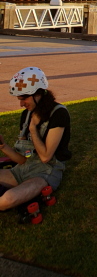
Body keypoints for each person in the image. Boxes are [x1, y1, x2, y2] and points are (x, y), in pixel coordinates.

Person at [0, 67, 71, 211]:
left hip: (45, 173)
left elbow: (45, 157)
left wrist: (33, 128)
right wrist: (3, 146)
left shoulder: (59, 114)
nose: (21, 104)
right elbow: (25, 158)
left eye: (24, 98)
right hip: (24, 169)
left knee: (7, 199)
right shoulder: (26, 114)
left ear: (38, 94)